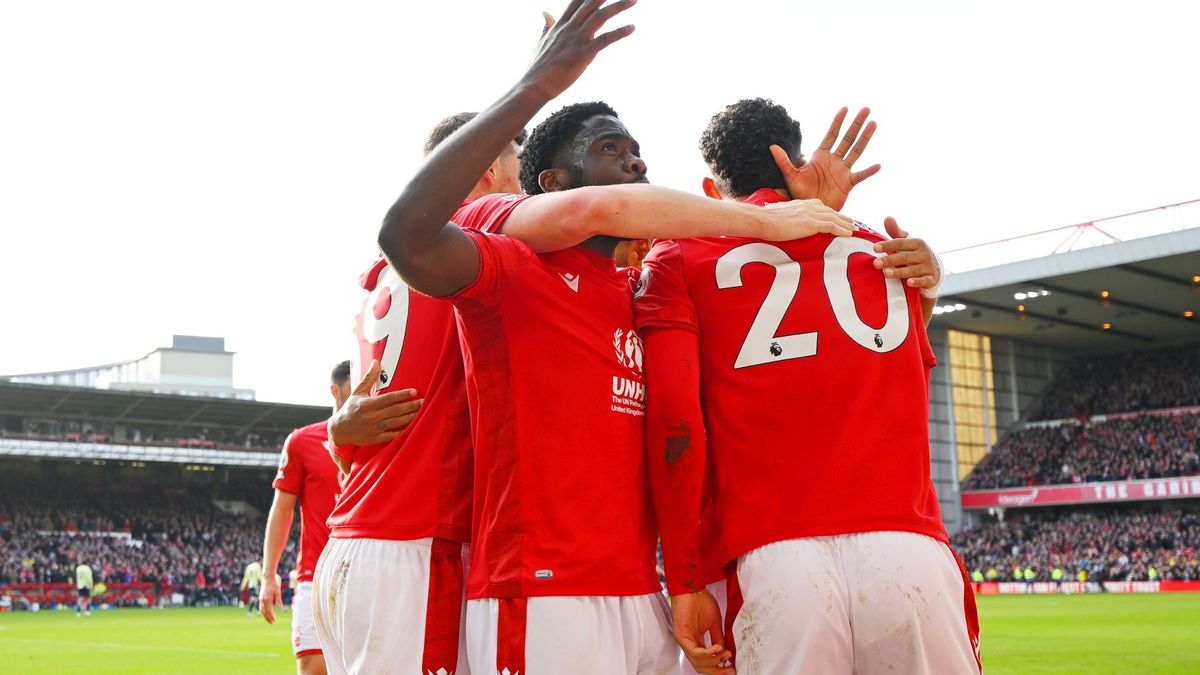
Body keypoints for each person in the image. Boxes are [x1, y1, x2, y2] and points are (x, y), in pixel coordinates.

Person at [370, 3, 864, 673]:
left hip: (642, 593)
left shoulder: (647, 291)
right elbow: (406, 236)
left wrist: (832, 231)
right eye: (611, 149)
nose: (636, 164)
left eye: (638, 153)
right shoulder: (510, 270)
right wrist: (534, 88)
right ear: (552, 183)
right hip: (544, 595)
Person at [636, 97, 979, 674]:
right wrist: (931, 285)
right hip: (908, 547)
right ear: (795, 159)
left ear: (710, 188)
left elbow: (676, 420)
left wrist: (687, 576)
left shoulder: (679, 256)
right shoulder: (887, 250)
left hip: (774, 556)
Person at [260, 361, 354, 675]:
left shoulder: (381, 442)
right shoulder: (303, 441)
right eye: (355, 386)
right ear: (336, 390)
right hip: (314, 575)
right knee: (313, 668)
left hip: (363, 574)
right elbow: (282, 509)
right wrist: (268, 574)